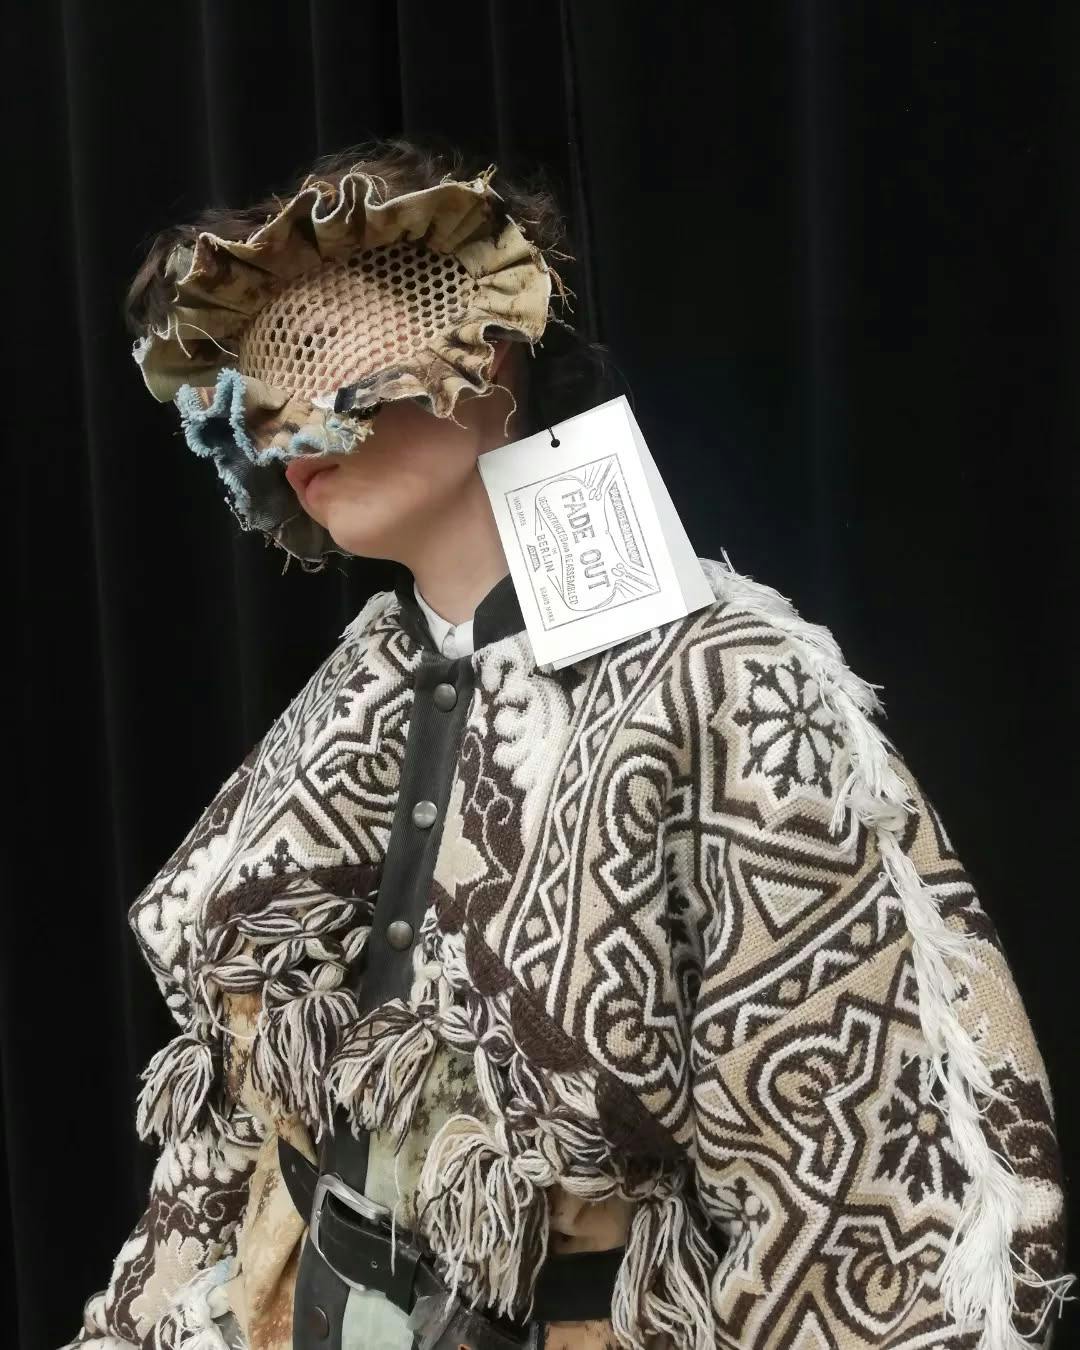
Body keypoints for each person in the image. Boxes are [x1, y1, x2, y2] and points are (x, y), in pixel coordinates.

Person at [65, 137, 1069, 1350]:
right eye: (256, 379)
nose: (284, 420)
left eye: (320, 348)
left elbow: (866, 1186)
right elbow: (234, 1119)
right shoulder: (356, 688)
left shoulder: (726, 682)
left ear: (483, 340)